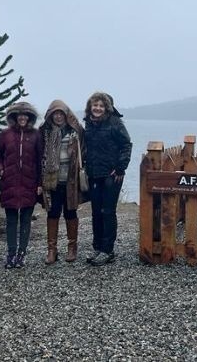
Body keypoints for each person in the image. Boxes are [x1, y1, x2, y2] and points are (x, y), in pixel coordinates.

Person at [83, 92, 132, 266]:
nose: (97, 108)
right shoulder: (89, 124)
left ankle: (107, 250)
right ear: (90, 107)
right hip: (94, 173)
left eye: (101, 106)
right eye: (95, 105)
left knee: (108, 211)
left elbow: (126, 144)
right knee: (96, 212)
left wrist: (120, 167)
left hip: (112, 175)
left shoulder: (115, 123)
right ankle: (97, 247)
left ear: (107, 108)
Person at [0, 101, 43, 269]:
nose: (22, 118)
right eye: (19, 115)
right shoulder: (5, 134)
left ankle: (22, 254)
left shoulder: (36, 135)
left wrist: (40, 183)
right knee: (11, 221)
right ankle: (11, 253)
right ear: (14, 117)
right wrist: (0, 170)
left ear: (30, 117)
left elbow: (40, 160)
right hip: (10, 183)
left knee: (26, 221)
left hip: (29, 183)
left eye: (26, 115)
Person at [39, 100, 86, 264]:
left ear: (66, 115)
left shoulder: (76, 131)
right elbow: (39, 156)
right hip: (52, 181)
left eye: (61, 113)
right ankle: (52, 249)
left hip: (71, 181)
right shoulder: (44, 131)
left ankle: (72, 248)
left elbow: (85, 152)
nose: (58, 117)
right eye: (55, 114)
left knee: (70, 212)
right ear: (50, 115)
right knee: (52, 213)